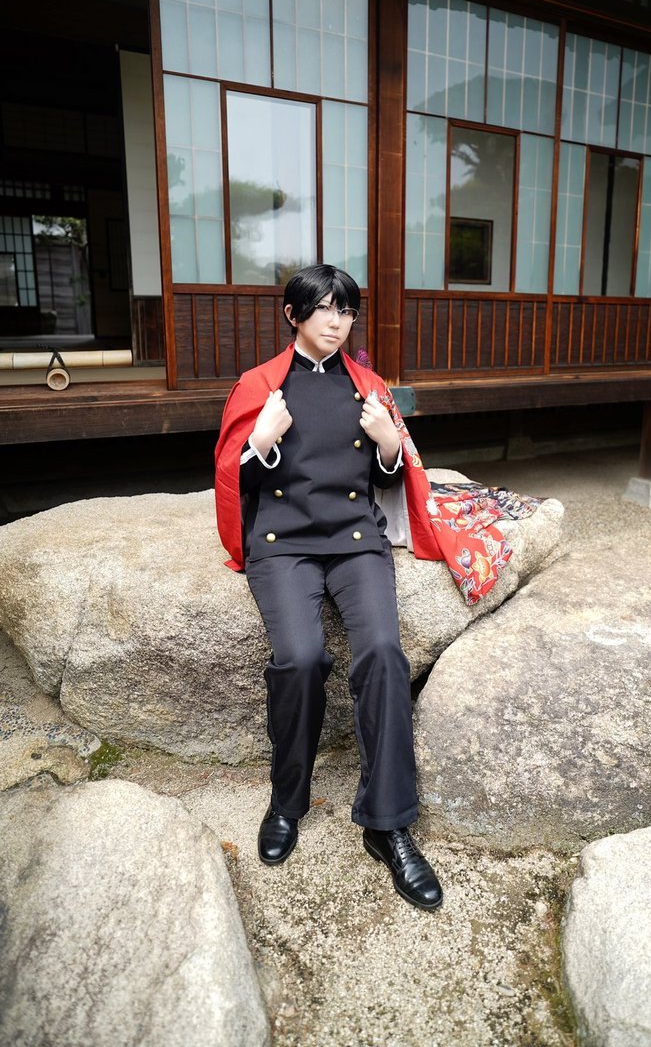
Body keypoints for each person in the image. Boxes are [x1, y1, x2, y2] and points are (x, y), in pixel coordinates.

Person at [214, 263, 443, 910]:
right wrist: (260, 443)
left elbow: (389, 479)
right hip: (283, 542)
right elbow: (234, 479)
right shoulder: (260, 384)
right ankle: (287, 801)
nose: (337, 323)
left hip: (354, 540)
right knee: (301, 658)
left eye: (346, 311)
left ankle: (388, 824)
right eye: (323, 309)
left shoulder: (369, 386)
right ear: (293, 316)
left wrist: (388, 444)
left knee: (384, 655)